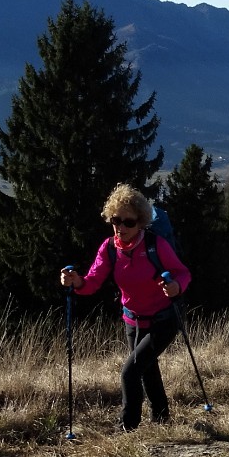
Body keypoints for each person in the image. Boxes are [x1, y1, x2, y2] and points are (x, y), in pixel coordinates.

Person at [60, 185, 192, 431]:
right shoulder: (110, 248)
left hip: (163, 319)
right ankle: (161, 419)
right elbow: (91, 283)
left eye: (128, 222)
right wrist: (75, 281)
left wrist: (176, 287)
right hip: (133, 320)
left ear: (140, 222)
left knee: (130, 372)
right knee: (146, 368)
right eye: (115, 220)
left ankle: (127, 427)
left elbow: (183, 273)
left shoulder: (156, 245)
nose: (121, 227)